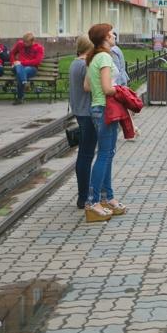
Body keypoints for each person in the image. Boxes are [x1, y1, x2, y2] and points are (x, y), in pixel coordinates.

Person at [82, 23, 126, 223]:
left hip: (97, 108)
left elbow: (87, 86)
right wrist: (123, 92)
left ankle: (107, 197)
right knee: (104, 155)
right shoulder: (105, 57)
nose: (113, 35)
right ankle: (92, 203)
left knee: (107, 154)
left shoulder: (93, 57)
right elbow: (108, 88)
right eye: (111, 33)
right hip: (106, 108)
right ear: (105, 38)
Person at [68, 35, 97, 210]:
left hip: (79, 111)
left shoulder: (74, 63)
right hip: (88, 112)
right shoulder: (84, 65)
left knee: (84, 154)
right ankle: (83, 196)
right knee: (86, 155)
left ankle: (83, 195)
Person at [9, 32, 44, 105]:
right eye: (24, 41)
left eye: (27, 42)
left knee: (22, 71)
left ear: (32, 41)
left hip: (31, 69)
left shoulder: (39, 48)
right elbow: (12, 53)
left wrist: (21, 63)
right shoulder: (19, 44)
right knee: (19, 68)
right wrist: (13, 62)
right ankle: (24, 82)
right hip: (18, 67)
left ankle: (20, 98)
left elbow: (37, 62)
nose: (24, 43)